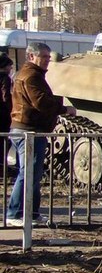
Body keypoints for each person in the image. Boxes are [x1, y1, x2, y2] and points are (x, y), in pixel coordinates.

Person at [6, 42, 76, 226]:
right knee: (28, 174)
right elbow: (41, 103)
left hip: (30, 129)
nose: (47, 60)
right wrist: (64, 109)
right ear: (31, 57)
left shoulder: (31, 74)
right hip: (28, 130)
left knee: (33, 174)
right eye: (43, 56)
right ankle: (15, 213)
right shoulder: (30, 76)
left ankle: (31, 213)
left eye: (48, 57)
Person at [0, 54, 12, 167]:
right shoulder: (5, 78)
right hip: (2, 114)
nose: (11, 69)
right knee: (3, 142)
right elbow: (6, 97)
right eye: (10, 66)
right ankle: (2, 167)